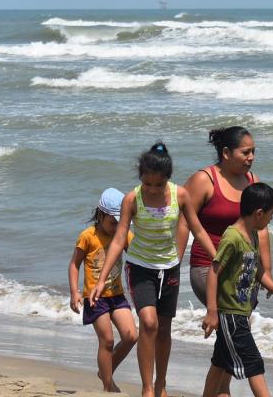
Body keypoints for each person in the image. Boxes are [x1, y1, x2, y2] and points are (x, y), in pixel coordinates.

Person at [90, 142, 217, 397]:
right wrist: (102, 278)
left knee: (164, 328)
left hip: (169, 268)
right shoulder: (131, 199)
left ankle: (161, 383)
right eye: (147, 184)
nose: (152, 189)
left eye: (158, 185)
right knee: (148, 323)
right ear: (141, 179)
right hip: (140, 267)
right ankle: (147, 388)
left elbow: (198, 229)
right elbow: (119, 239)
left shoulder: (180, 196)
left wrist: (217, 257)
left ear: (167, 180)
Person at [201, 182, 273, 397]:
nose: (272, 219)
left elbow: (258, 270)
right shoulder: (233, 237)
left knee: (220, 363)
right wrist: (212, 312)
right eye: (271, 214)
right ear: (259, 213)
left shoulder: (252, 235)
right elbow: (214, 272)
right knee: (253, 363)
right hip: (230, 315)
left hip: (240, 313)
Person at [178, 126, 272, 309]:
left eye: (253, 151)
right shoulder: (204, 180)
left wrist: (266, 272)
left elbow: (261, 229)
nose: (251, 157)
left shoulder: (253, 181)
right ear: (226, 153)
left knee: (236, 326)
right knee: (230, 320)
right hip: (208, 266)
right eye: (245, 152)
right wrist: (173, 269)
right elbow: (183, 224)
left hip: (243, 267)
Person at [68, 188, 138, 393]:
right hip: (94, 298)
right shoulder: (87, 236)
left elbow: (136, 256)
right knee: (107, 340)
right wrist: (75, 292)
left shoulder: (124, 235)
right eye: (112, 222)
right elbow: (74, 265)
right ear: (100, 215)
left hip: (117, 296)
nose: (116, 227)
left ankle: (105, 370)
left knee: (131, 336)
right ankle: (108, 385)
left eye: (120, 222)